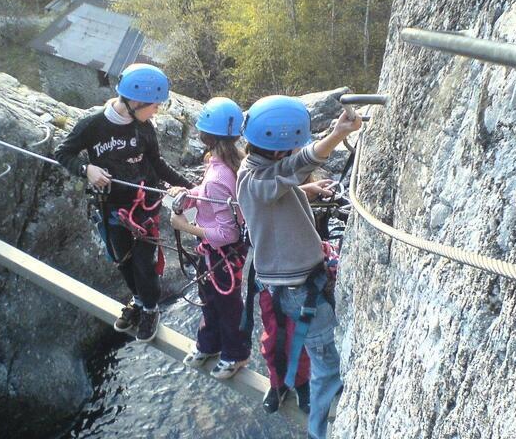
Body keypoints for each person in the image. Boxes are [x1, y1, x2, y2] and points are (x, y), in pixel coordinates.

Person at [236, 95, 362, 439]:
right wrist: (336, 135)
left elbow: (282, 185)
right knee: (327, 365)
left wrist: (306, 190)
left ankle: (291, 387)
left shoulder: (256, 171)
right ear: (280, 150)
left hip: (289, 284)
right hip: (299, 288)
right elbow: (290, 170)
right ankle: (320, 430)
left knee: (292, 345)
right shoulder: (254, 180)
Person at [54, 63, 193, 342]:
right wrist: (86, 169)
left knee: (144, 264)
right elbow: (63, 152)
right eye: (153, 105)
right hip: (111, 209)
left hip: (144, 207)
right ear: (135, 102)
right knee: (122, 261)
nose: (156, 111)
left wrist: (191, 187)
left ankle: (150, 309)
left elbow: (157, 163)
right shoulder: (92, 127)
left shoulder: (144, 128)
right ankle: (138, 301)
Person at [168, 97, 251, 379]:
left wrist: (184, 226)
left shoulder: (218, 174)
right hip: (221, 253)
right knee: (209, 298)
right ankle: (210, 344)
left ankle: (236, 355)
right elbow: (213, 198)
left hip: (221, 252)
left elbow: (227, 232)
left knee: (225, 305)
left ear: (204, 135)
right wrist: (189, 197)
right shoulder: (228, 162)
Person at [258, 176, 335, 414]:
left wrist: (303, 190)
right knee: (274, 338)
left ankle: (302, 384)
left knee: (301, 342)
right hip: (273, 280)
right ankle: (278, 383)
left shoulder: (291, 190)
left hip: (300, 283)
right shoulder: (257, 183)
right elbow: (264, 196)